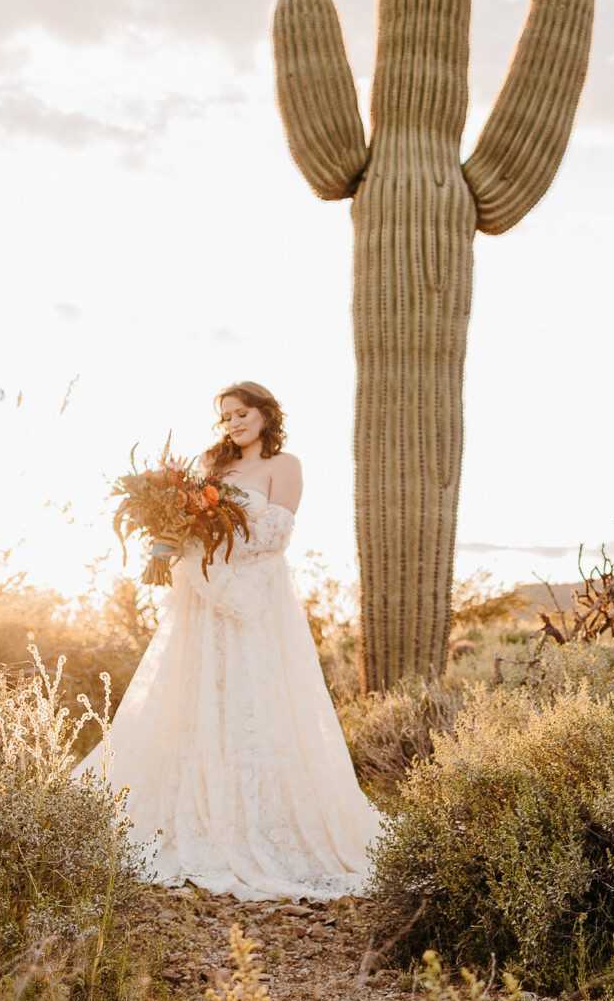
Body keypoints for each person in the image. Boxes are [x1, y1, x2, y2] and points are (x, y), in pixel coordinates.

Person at [75, 380, 383, 899]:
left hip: (256, 599)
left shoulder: (284, 466)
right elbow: (181, 520)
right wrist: (169, 539)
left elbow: (276, 535)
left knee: (255, 698)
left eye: (243, 414)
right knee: (200, 694)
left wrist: (217, 528)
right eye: (227, 417)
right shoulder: (208, 466)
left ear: (265, 414)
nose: (235, 424)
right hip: (204, 597)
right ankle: (193, 812)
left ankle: (261, 821)